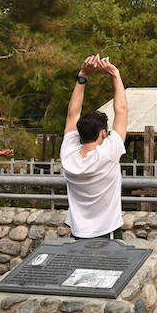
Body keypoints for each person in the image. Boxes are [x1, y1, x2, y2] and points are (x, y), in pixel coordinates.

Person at [60, 54, 128, 239]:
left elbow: (72, 114)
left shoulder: (68, 156)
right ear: (104, 133)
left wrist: (83, 76)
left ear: (79, 134)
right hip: (108, 232)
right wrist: (115, 74)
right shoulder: (108, 153)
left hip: (78, 233)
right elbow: (121, 110)